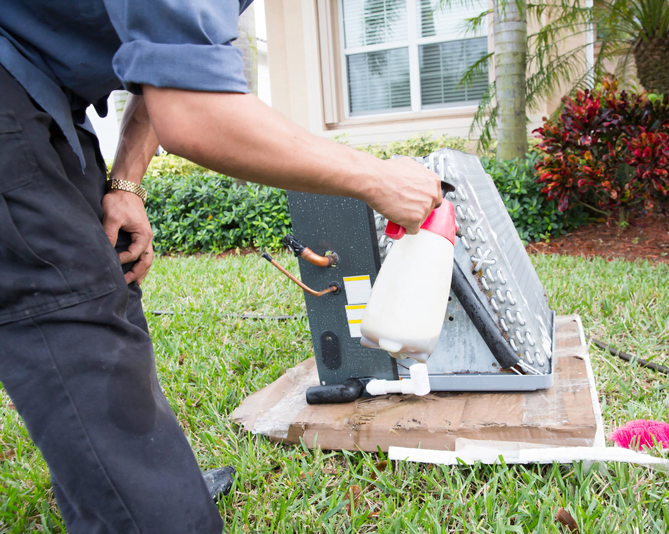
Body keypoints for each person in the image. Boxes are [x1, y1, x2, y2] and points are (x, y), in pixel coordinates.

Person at [0, 1, 442, 532]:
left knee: (109, 275)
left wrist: (125, 183)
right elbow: (193, 110)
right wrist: (378, 180)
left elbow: (165, 70)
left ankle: (141, 479)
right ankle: (146, 508)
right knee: (71, 310)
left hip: (44, 96)